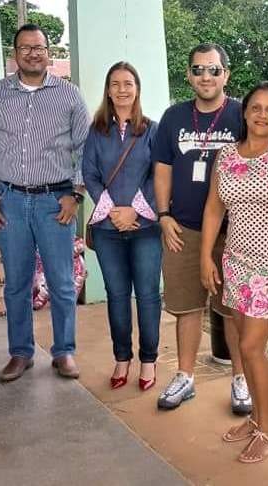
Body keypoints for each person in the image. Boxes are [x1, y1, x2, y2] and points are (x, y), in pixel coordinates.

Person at [0, 24, 90, 383]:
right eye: (25, 48)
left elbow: (86, 149)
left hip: (56, 201)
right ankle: (20, 353)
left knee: (62, 282)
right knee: (16, 284)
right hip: (9, 201)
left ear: (48, 52)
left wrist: (76, 195)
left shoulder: (69, 95)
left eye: (39, 47)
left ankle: (64, 351)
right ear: (15, 54)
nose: (33, 53)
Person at [201, 81, 268, 463]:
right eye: (256, 107)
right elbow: (214, 208)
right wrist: (206, 257)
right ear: (244, 112)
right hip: (236, 262)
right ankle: (256, 419)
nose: (262, 115)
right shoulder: (226, 156)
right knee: (245, 343)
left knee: (250, 347)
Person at [153, 43, 252, 414]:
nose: (206, 76)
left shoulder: (242, 114)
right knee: (187, 306)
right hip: (184, 230)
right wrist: (164, 215)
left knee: (233, 309)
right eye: (198, 70)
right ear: (188, 75)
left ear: (226, 74)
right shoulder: (174, 117)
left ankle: (241, 379)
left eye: (213, 69)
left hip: (233, 231)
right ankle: (185, 376)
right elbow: (162, 169)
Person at [82, 61, 160, 391]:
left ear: (137, 88)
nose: (122, 89)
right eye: (115, 84)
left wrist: (135, 211)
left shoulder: (152, 129)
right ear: (108, 90)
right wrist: (114, 211)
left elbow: (160, 174)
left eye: (128, 83)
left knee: (148, 295)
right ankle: (122, 357)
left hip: (145, 228)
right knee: (116, 295)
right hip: (107, 229)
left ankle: (149, 360)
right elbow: (89, 173)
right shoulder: (96, 130)